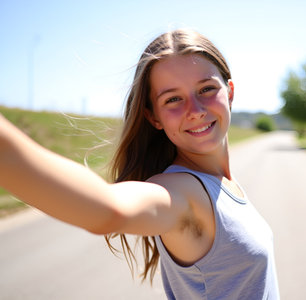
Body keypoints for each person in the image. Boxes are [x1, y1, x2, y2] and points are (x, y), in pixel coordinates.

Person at [0, 29, 279, 299]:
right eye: (173, 99)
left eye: (206, 89)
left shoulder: (223, 183)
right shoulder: (183, 191)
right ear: (154, 117)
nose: (195, 110)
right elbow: (108, 210)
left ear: (229, 92)